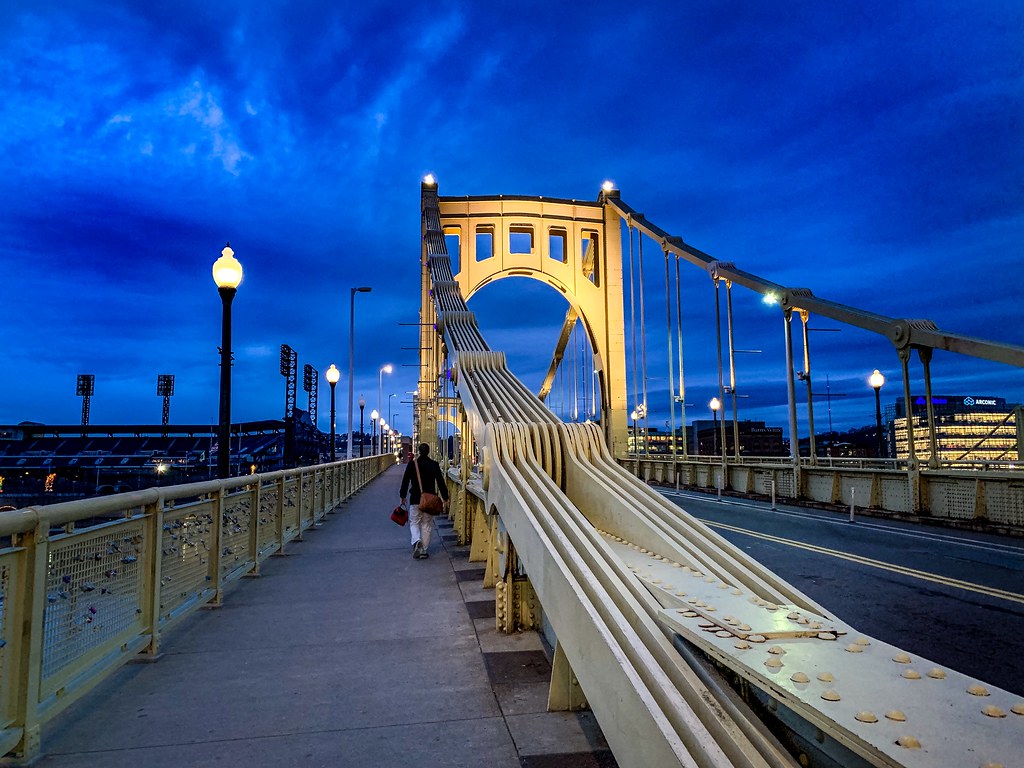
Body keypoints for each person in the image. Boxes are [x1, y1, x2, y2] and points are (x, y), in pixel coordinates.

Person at [399, 443, 450, 559]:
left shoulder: (412, 464)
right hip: (429, 500)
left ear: (419, 451)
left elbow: (405, 480)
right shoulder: (434, 465)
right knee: (427, 524)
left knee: (414, 522)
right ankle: (424, 550)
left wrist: (402, 495)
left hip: (415, 499)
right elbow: (441, 482)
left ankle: (417, 541)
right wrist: (445, 497)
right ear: (428, 451)